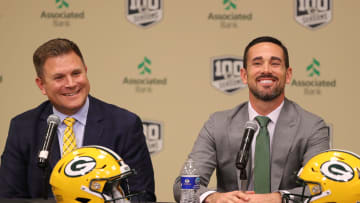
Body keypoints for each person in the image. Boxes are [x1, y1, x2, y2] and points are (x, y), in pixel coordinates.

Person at [173, 36, 330, 203]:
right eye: (257, 63)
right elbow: (183, 186)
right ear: (244, 75)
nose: (266, 70)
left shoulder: (312, 127)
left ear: (288, 74)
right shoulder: (217, 124)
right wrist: (213, 198)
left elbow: (321, 188)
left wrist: (276, 199)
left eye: (275, 63)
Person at [0, 38, 156, 201]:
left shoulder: (124, 124)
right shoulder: (23, 127)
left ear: (86, 71)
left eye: (76, 73)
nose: (71, 83)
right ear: (41, 85)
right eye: (59, 77)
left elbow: (143, 196)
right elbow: (8, 198)